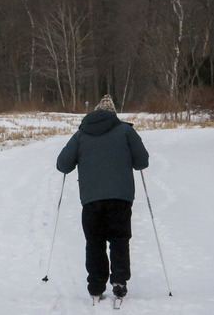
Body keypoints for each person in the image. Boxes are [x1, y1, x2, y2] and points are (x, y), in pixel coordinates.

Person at [56, 94, 149, 300]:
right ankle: (119, 280)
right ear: (114, 114)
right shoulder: (126, 130)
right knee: (119, 238)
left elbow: (63, 164)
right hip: (121, 197)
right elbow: (142, 161)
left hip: (91, 199)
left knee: (94, 241)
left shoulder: (81, 134)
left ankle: (96, 286)